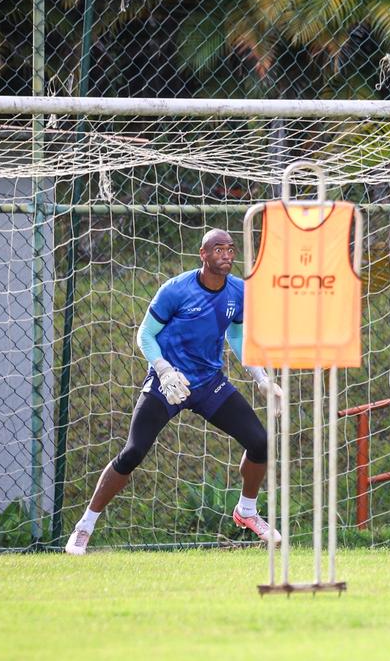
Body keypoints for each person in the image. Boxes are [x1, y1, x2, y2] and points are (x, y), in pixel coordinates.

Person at [64, 229, 284, 555]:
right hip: (169, 382)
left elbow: (237, 337)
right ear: (203, 254)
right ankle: (85, 526)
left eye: (230, 249)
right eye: (218, 249)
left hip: (209, 383)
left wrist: (261, 378)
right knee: (133, 452)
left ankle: (247, 511)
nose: (226, 255)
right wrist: (164, 370)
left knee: (260, 442)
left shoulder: (239, 290)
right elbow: (145, 335)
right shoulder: (176, 289)